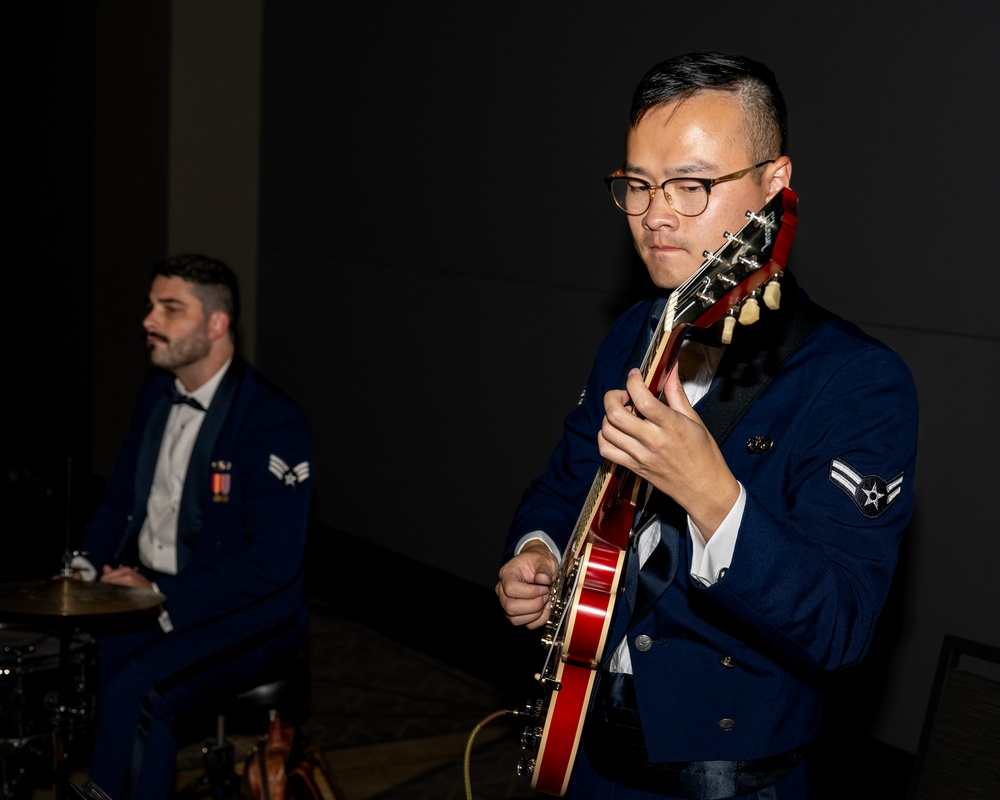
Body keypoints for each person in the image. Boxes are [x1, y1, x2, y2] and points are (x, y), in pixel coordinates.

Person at [495, 52, 918, 800]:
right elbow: (563, 482)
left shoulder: (854, 379)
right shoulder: (633, 332)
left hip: (725, 779)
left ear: (773, 185)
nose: (657, 214)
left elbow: (842, 628)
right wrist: (537, 551)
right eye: (637, 184)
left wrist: (712, 496)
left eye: (692, 185)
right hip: (582, 742)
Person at [72, 254, 313, 800]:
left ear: (216, 324)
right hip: (155, 594)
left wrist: (159, 597)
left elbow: (272, 563)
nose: (149, 320)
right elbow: (119, 499)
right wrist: (86, 564)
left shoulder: (273, 420)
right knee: (99, 676)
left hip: (250, 616)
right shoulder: (157, 394)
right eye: (150, 306)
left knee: (140, 687)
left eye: (170, 308)